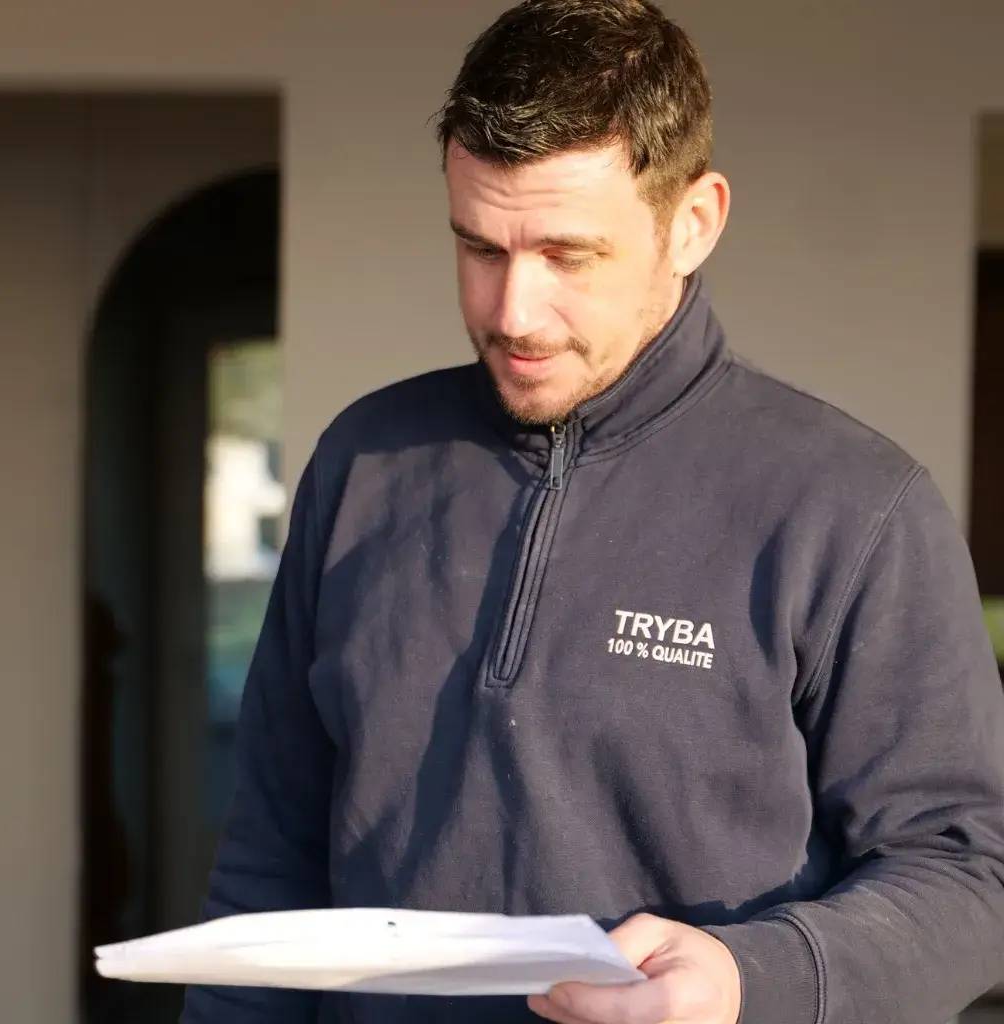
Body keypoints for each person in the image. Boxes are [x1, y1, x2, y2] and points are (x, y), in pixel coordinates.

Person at [181, 1, 1004, 1022]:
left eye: (568, 255)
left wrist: (749, 978)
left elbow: (970, 873)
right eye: (480, 248)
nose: (513, 312)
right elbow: (270, 862)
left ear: (692, 223)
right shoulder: (364, 464)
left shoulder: (853, 508)